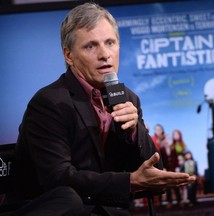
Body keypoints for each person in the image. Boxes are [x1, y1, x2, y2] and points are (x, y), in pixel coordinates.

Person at [12, 2, 195, 216]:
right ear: (68, 55)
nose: (105, 54)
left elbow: (153, 169)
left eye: (110, 43)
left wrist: (135, 131)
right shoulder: (49, 103)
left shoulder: (127, 98)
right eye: (91, 46)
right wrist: (130, 181)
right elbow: (58, 179)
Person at [159, 135, 182, 208]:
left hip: (174, 170)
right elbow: (161, 160)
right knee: (168, 187)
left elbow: (176, 159)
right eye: (165, 139)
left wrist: (177, 167)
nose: (167, 141)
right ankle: (169, 202)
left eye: (168, 139)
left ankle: (179, 201)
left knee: (176, 186)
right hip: (166, 170)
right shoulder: (161, 150)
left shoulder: (173, 148)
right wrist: (163, 168)